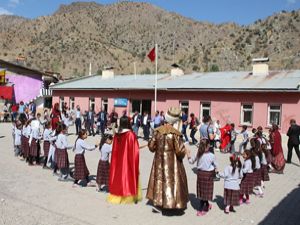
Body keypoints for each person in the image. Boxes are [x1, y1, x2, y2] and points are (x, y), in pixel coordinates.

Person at [147, 107, 189, 213]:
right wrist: (185, 151)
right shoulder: (176, 134)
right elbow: (179, 151)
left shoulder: (157, 131)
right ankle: (171, 204)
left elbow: (151, 147)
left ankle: (159, 203)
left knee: (159, 180)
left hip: (159, 161)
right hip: (173, 162)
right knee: (172, 181)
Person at [107, 116, 141, 204]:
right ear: (128, 123)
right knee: (127, 176)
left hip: (118, 160)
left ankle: (118, 194)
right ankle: (127, 194)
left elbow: (115, 149)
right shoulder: (130, 134)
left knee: (119, 176)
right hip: (127, 160)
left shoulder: (117, 134)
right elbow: (134, 151)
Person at [187, 139, 218, 216]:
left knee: (203, 193)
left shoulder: (199, 154)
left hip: (202, 175)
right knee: (204, 193)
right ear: (208, 145)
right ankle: (206, 205)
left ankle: (204, 207)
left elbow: (191, 161)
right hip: (207, 175)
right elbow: (216, 165)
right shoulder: (211, 155)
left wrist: (188, 155)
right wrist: (216, 170)